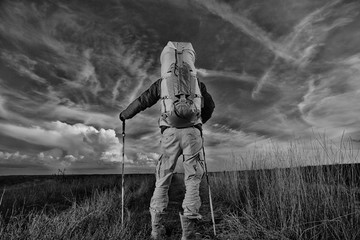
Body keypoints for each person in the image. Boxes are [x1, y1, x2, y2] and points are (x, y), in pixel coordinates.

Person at [119, 42, 215, 240]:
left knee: (162, 180)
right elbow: (210, 106)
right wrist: (198, 123)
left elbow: (142, 101)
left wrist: (124, 115)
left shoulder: (162, 82)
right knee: (192, 180)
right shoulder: (197, 83)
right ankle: (188, 232)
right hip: (192, 134)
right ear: (191, 60)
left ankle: (157, 230)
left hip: (169, 133)